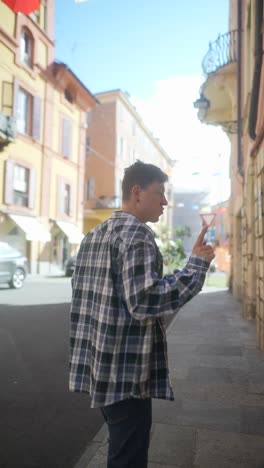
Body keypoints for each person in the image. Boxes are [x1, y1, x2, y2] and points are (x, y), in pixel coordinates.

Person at [69, 160, 215, 468]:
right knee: (128, 457)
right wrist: (196, 267)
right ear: (137, 192)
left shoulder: (94, 235)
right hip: (126, 373)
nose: (165, 202)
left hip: (100, 367)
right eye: (160, 193)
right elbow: (144, 301)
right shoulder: (137, 237)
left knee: (121, 448)